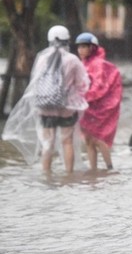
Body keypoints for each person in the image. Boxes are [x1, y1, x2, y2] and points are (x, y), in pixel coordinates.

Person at [2, 25, 89, 174]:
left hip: (45, 106)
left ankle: (46, 176)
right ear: (67, 40)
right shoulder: (72, 60)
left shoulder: (42, 58)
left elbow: (36, 81)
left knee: (47, 143)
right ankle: (68, 176)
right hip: (66, 108)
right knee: (67, 141)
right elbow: (83, 83)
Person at [75, 32, 123, 170]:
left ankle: (109, 167)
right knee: (89, 140)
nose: (80, 50)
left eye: (84, 47)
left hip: (99, 107)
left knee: (98, 139)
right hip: (87, 107)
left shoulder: (98, 64)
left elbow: (99, 86)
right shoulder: (83, 64)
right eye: (79, 47)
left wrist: (86, 96)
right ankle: (93, 170)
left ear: (92, 48)